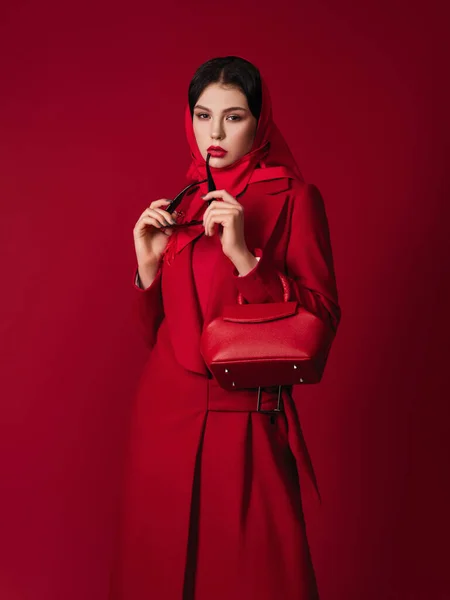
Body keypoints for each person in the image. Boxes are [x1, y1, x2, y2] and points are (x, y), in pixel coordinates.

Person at [109, 56, 341, 600]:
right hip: (163, 421)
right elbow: (160, 335)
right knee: (159, 576)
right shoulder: (182, 201)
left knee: (250, 579)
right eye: (202, 114)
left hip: (244, 424)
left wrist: (244, 256)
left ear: (259, 121)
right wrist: (146, 267)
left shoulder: (294, 199)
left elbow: (319, 323)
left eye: (233, 117)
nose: (213, 133)